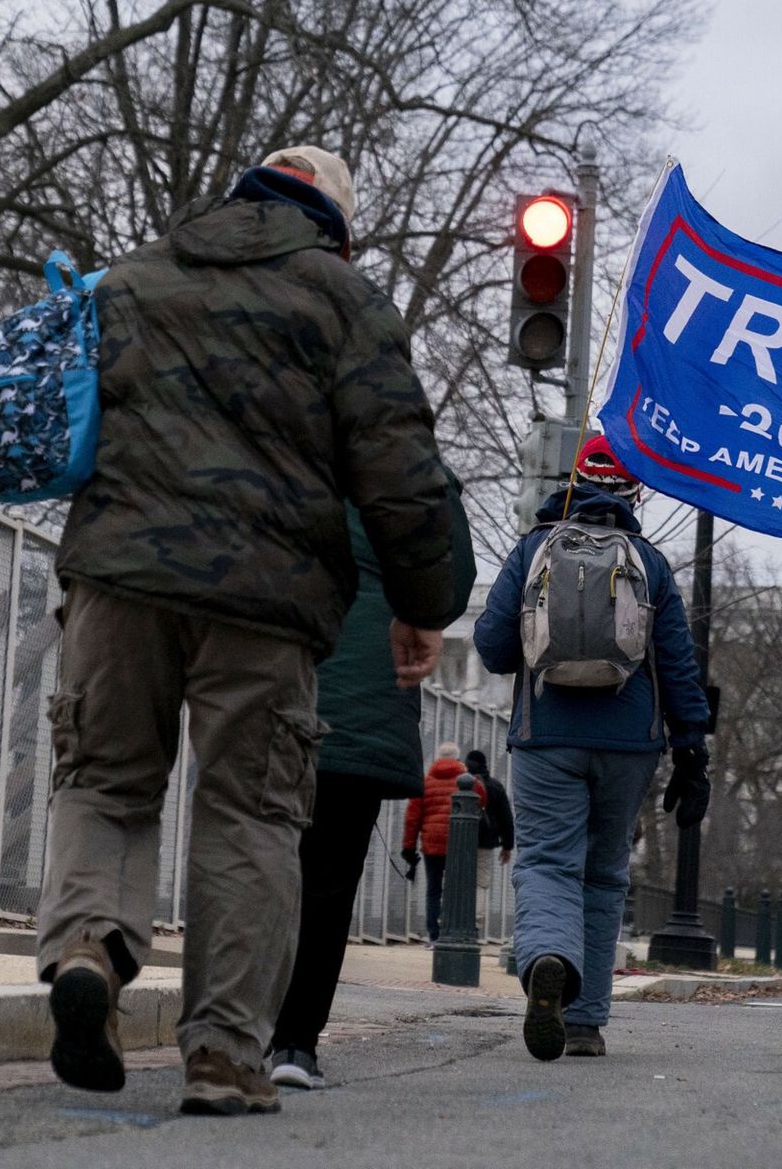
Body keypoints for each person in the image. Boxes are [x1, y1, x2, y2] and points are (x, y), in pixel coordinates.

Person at [36, 145, 457, 1117]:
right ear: (336, 228)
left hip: (115, 578)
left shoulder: (136, 274)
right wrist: (423, 602)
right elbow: (402, 476)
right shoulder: (346, 303)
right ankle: (225, 1050)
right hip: (265, 602)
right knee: (250, 811)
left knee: (104, 776)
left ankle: (88, 949)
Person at [473, 437, 710, 1061]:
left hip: (547, 735)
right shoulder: (651, 562)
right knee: (604, 876)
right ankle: (584, 1022)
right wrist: (691, 753)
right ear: (635, 492)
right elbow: (679, 667)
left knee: (548, 862)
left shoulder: (534, 549)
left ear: (572, 482)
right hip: (630, 743)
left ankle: (549, 957)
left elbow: (495, 648)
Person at [267, 482, 476, 1091]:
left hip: (277, 685)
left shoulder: (288, 441)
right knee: (329, 884)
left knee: (252, 864)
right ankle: (295, 1043)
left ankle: (231, 1027)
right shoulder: (410, 470)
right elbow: (452, 578)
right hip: (366, 700)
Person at [401, 742, 489, 945]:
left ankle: (434, 933)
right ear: (458, 759)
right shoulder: (469, 781)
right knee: (456, 888)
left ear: (439, 758)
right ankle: (452, 929)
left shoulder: (426, 781)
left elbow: (412, 817)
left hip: (431, 845)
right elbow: (482, 801)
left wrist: (409, 846)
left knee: (433, 889)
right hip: (458, 844)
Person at [466, 748, 515, 927]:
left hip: (459, 841)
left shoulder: (461, 784)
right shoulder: (495, 786)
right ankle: (476, 922)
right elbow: (507, 818)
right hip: (485, 841)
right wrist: (507, 846)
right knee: (481, 881)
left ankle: (455, 918)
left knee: (458, 877)